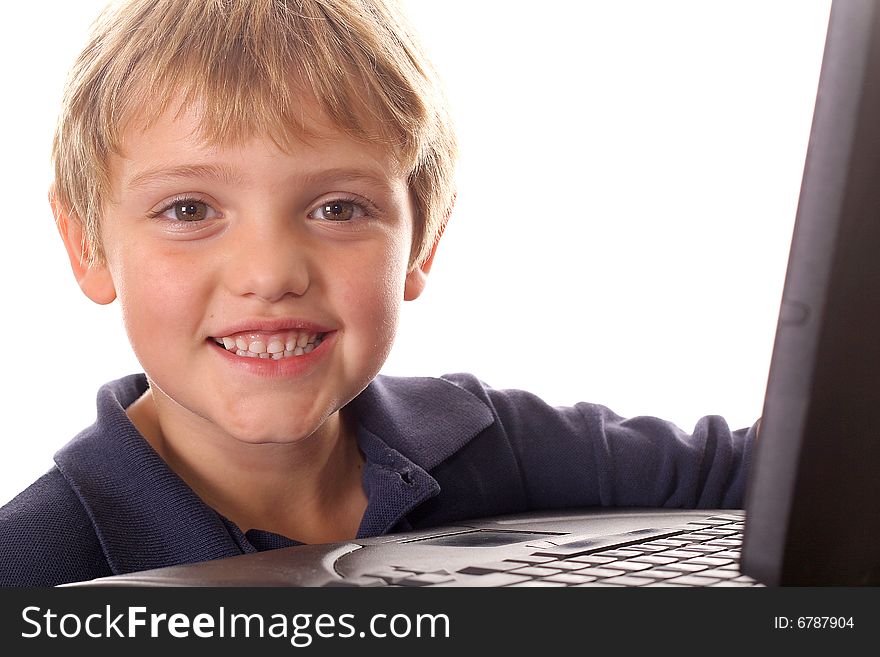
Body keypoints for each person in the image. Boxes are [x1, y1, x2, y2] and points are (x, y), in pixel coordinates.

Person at [0, 0, 756, 587]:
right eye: (190, 210)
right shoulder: (30, 564)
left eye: (337, 208)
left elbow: (771, 472)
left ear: (422, 242)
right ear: (86, 245)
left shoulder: (493, 441)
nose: (269, 273)